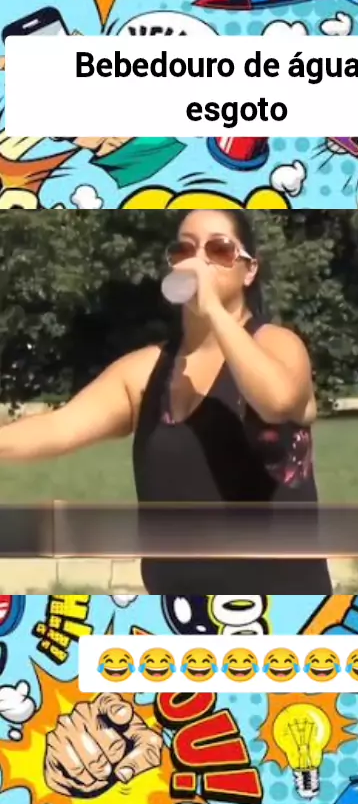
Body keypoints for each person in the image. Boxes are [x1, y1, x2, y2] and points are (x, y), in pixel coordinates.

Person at [0, 210, 331, 594]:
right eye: (184, 250)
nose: (198, 261)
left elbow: (277, 401)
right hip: (176, 612)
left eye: (219, 250)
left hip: (282, 609)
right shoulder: (145, 371)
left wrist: (212, 309)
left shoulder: (278, 344)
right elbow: (59, 427)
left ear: (249, 270)